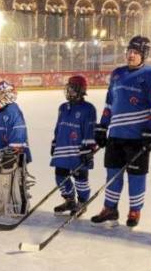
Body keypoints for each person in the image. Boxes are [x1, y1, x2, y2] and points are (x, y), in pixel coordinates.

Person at [91, 36, 151, 228]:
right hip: (116, 136)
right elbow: (110, 103)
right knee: (112, 174)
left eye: (136, 52)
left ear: (144, 55)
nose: (131, 55)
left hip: (137, 138)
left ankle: (135, 210)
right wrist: (102, 126)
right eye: (129, 51)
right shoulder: (117, 74)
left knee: (136, 176)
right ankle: (110, 208)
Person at [0, 80, 32, 217]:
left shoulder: (14, 112)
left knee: (15, 181)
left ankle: (19, 206)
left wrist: (14, 152)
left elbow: (19, 133)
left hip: (15, 152)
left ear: (9, 96)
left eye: (1, 94)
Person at [51, 75, 97, 216]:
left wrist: (88, 149)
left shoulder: (88, 108)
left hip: (79, 151)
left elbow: (90, 130)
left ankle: (82, 202)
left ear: (80, 90)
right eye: (68, 88)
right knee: (60, 176)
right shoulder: (63, 107)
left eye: (72, 89)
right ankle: (69, 200)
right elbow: (59, 127)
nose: (69, 91)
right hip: (62, 148)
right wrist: (54, 143)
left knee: (80, 179)